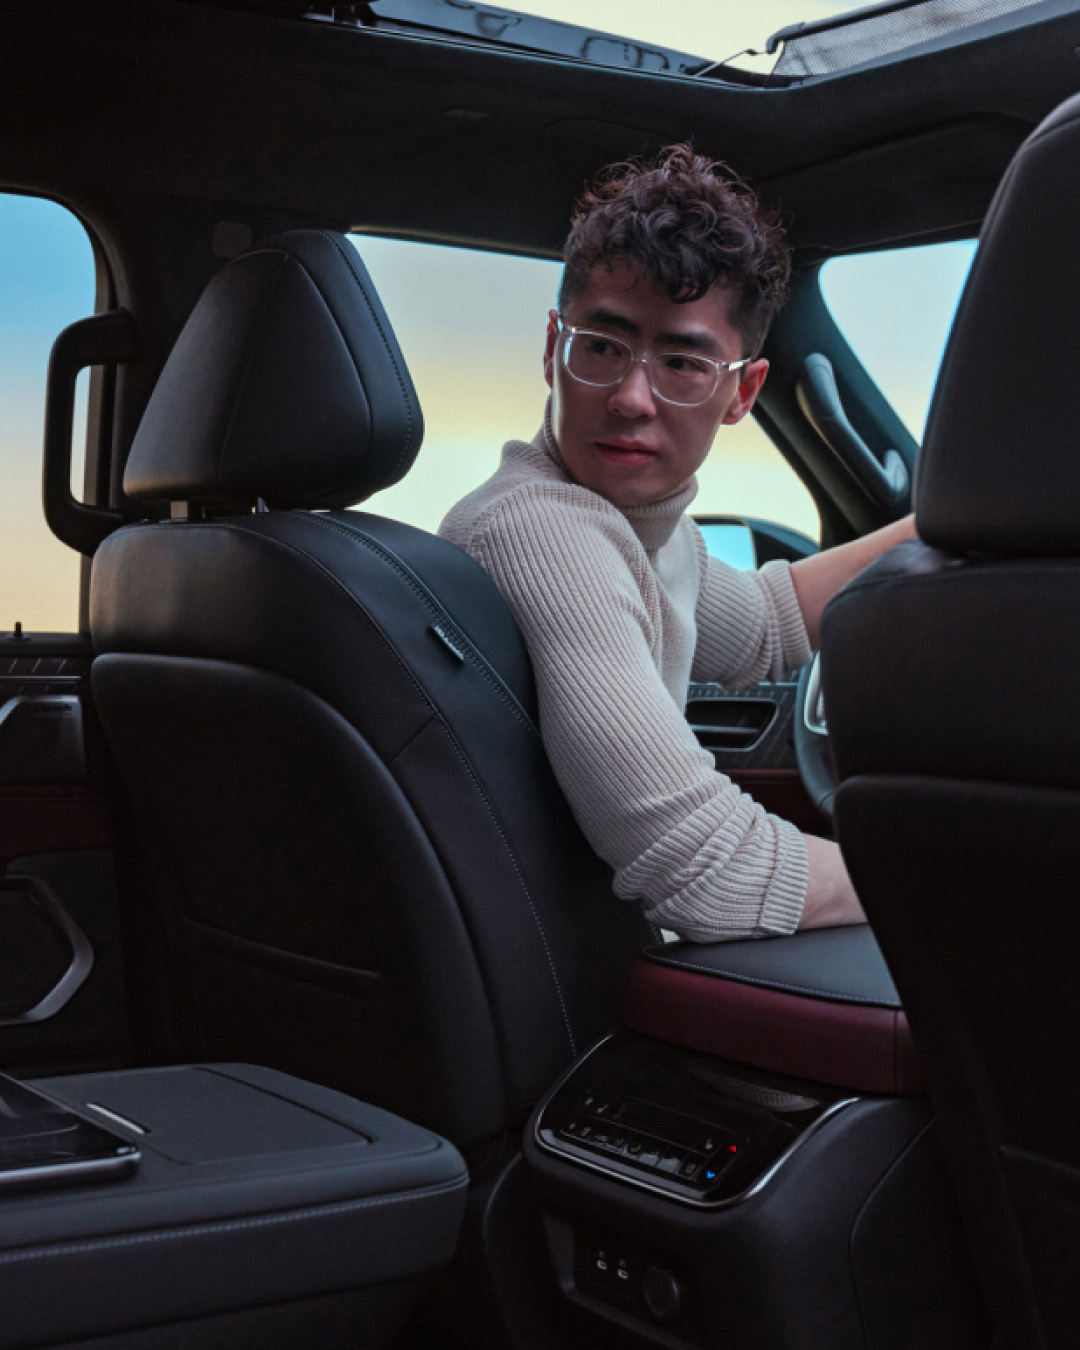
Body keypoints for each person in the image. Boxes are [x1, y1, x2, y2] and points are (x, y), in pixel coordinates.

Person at [439, 145, 914, 942]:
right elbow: (707, 872)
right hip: (584, 1010)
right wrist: (950, 881)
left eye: (684, 362)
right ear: (552, 350)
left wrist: (951, 520)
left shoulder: (631, 529)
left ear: (742, 392)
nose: (631, 397)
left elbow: (771, 621)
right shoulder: (542, 529)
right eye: (602, 346)